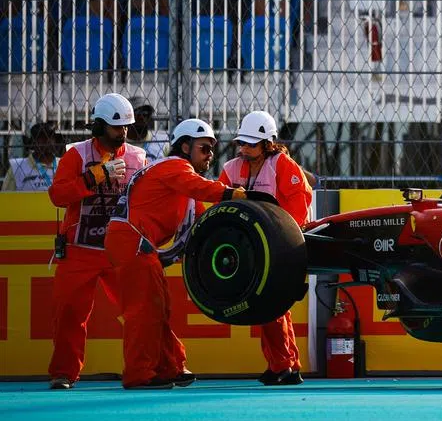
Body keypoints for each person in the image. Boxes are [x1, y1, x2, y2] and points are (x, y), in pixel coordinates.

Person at [105, 119, 242, 389]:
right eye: (204, 148)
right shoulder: (176, 167)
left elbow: (202, 218)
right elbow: (203, 188)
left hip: (135, 243)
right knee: (144, 310)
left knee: (158, 308)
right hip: (133, 242)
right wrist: (235, 194)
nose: (210, 155)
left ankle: (170, 367)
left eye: (212, 149)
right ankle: (138, 374)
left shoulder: (179, 178)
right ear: (185, 146)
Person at [46, 93, 147, 390]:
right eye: (117, 127)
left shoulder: (138, 157)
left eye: (126, 127)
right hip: (79, 249)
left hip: (120, 250)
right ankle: (64, 372)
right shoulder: (76, 155)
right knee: (69, 314)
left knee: (142, 309)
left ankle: (162, 366)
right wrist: (94, 177)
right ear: (99, 126)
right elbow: (57, 195)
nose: (123, 132)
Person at [218, 111, 312, 385]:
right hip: (249, 248)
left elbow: (299, 204)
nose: (244, 149)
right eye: (242, 143)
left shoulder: (282, 165)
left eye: (251, 144)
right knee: (271, 306)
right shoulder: (231, 168)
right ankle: (287, 365)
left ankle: (282, 365)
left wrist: (284, 240)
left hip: (280, 246)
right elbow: (219, 204)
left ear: (268, 144)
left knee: (270, 305)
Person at [3, 121, 62, 191]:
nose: (48, 141)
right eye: (43, 138)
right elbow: (5, 194)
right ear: (33, 143)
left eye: (51, 137)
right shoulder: (17, 167)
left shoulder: (64, 164)